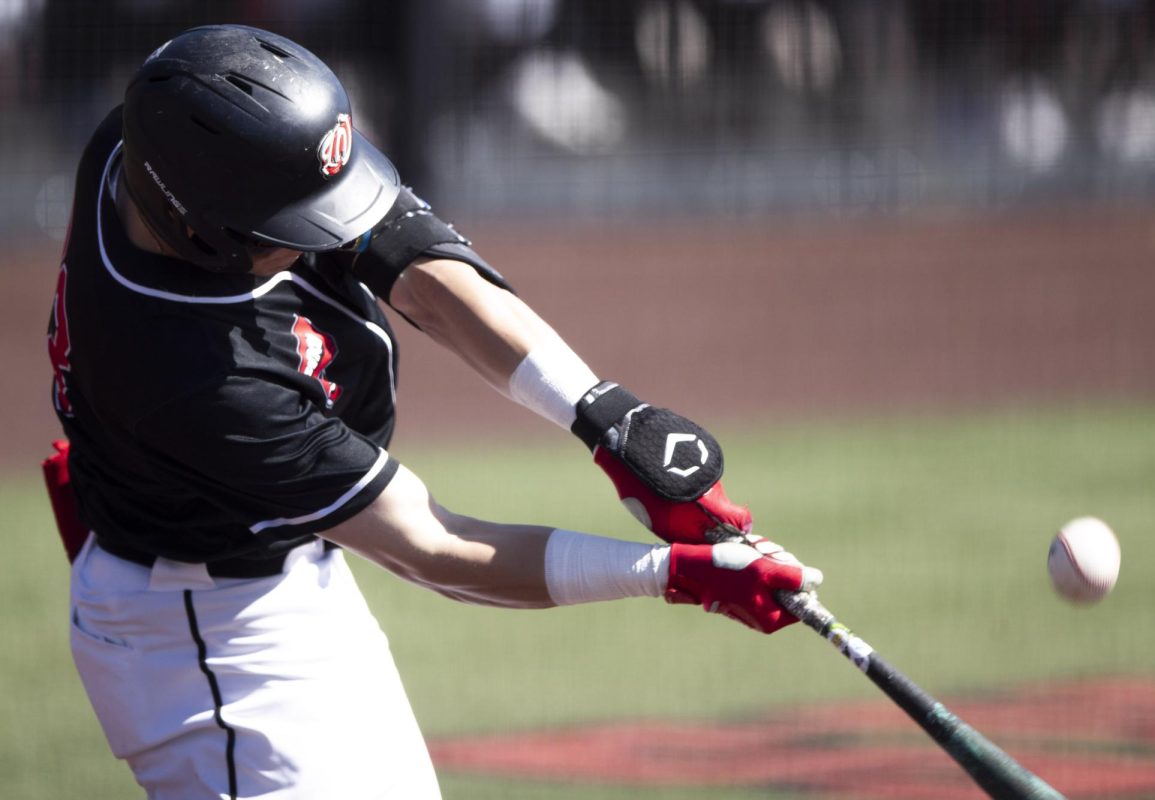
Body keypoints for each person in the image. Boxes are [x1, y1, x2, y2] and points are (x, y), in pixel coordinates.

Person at [44, 24, 821, 800]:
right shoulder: (198, 380)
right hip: (209, 647)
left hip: (268, 570)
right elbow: (432, 543)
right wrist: (673, 575)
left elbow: (417, 274)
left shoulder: (158, 142)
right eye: (299, 225)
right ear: (205, 234)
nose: (340, 232)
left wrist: (608, 420)